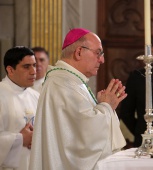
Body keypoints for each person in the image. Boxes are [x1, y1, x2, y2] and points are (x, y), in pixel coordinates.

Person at [29, 28, 127, 170]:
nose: (102, 60)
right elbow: (85, 138)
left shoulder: (70, 80)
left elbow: (78, 126)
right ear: (79, 52)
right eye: (98, 53)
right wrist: (106, 106)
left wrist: (101, 105)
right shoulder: (62, 83)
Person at [120, 31, 153, 147]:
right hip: (145, 143)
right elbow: (126, 113)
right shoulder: (138, 77)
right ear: (152, 49)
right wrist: (141, 132)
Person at [0, 46, 39, 170]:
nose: (33, 71)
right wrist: (20, 139)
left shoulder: (36, 96)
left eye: (34, 65)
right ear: (10, 70)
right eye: (26, 67)